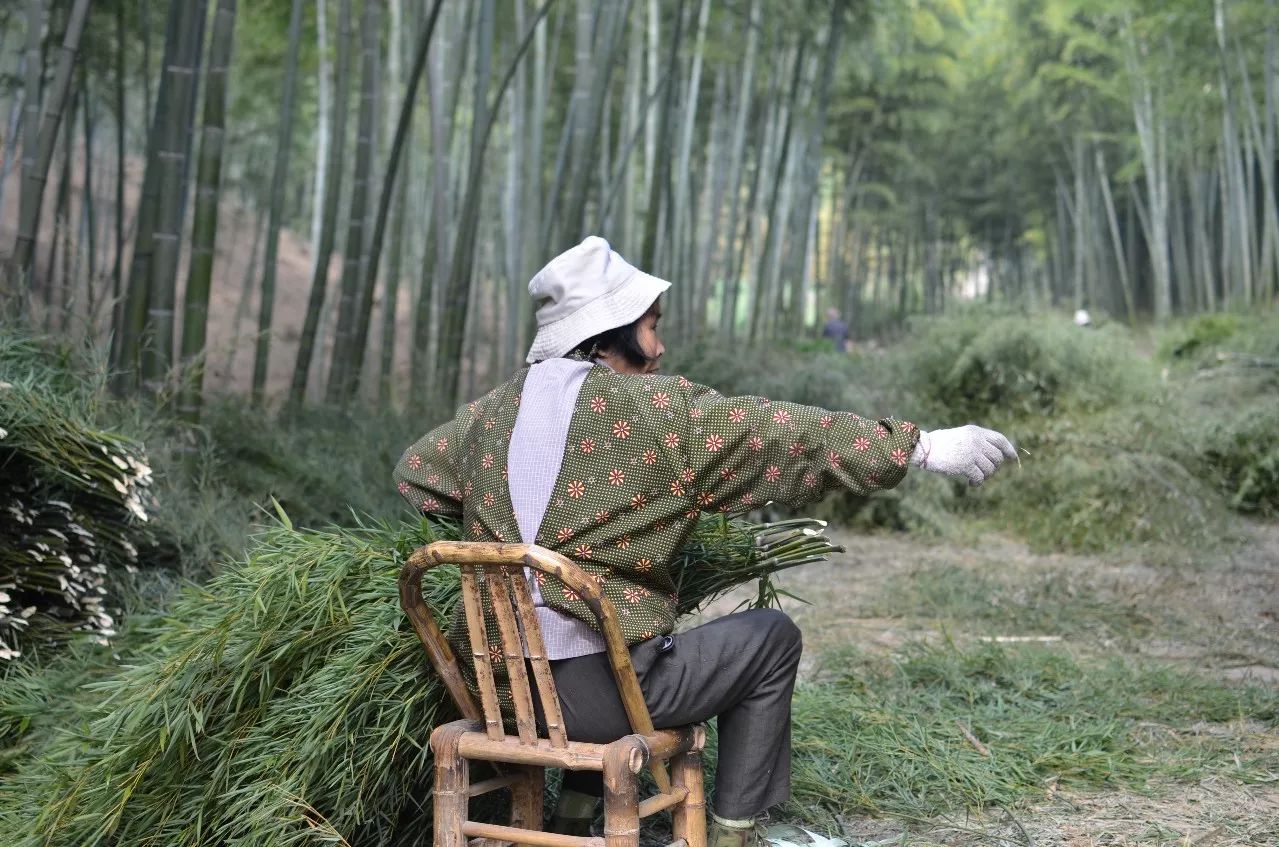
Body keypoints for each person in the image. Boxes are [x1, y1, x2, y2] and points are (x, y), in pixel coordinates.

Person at [394, 236, 1016, 847]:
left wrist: (505, 530)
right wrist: (922, 447)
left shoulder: (488, 414)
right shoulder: (657, 412)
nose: (659, 346)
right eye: (651, 326)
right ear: (608, 334)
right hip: (597, 702)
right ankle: (733, 834)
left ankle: (575, 817)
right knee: (771, 639)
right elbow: (782, 434)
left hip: (497, 689)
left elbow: (416, 474)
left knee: (624, 637)